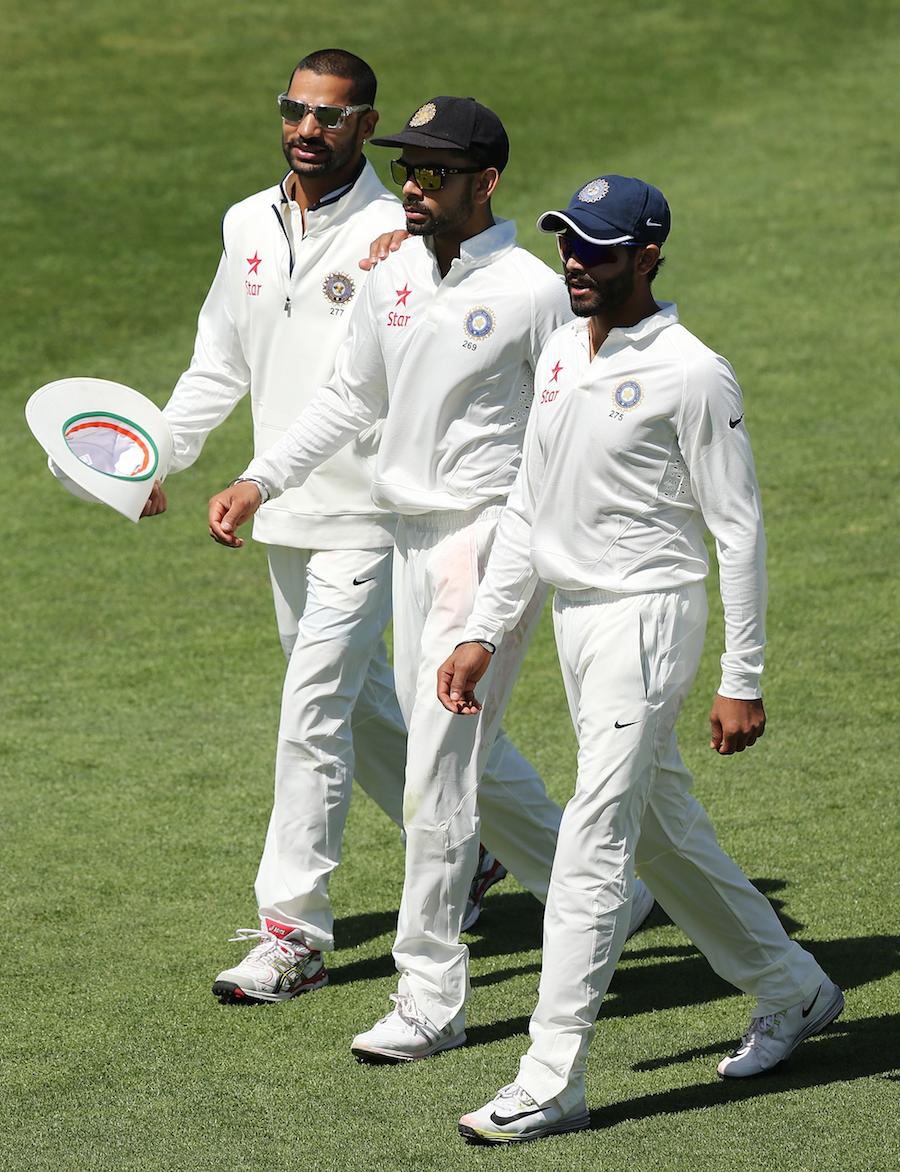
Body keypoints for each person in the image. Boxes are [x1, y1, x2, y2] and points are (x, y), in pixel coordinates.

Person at [207, 101, 655, 1055]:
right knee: (459, 757)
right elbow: (348, 397)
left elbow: (571, 425)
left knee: (437, 772)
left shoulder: (536, 290)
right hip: (407, 536)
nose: (412, 186)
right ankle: (615, 894)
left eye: (435, 174)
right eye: (406, 168)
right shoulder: (394, 273)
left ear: (485, 183)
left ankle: (430, 999)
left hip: (485, 540)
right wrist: (260, 479)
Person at [438, 175, 844, 1144]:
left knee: (592, 847)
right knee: (662, 826)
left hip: (648, 617)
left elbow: (736, 531)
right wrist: (487, 625)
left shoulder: (694, 371)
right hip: (577, 619)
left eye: (601, 249)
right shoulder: (557, 352)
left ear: (648, 253)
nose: (578, 262)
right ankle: (793, 987)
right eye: (570, 243)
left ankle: (551, 1076)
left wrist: (741, 674)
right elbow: (532, 500)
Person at [154, 52, 528, 1005]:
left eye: (330, 116)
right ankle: (528, 857)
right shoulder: (247, 222)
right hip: (287, 509)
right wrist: (161, 456)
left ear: (365, 127)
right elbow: (216, 364)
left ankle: (293, 932)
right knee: (369, 708)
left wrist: (400, 255)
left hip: (373, 511)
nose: (306, 129)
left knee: (312, 706)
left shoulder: (399, 226)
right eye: (294, 110)